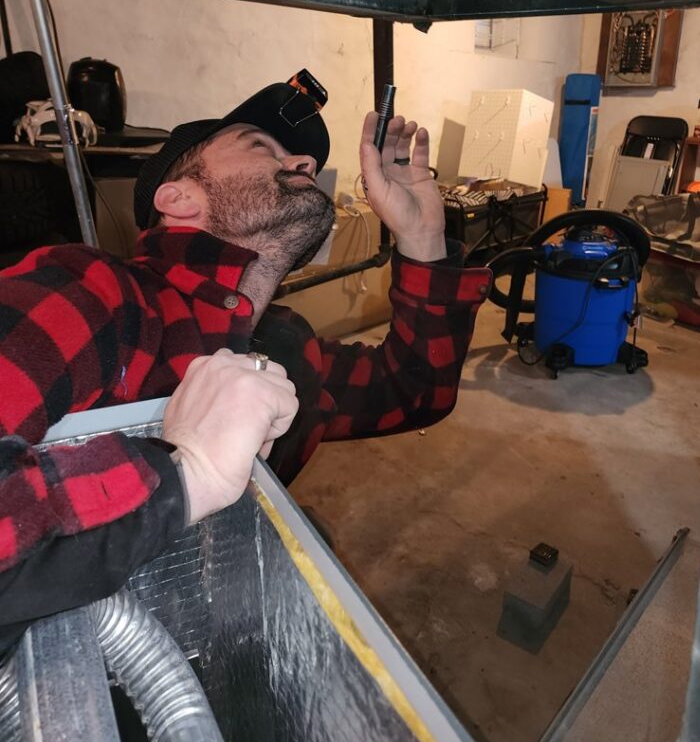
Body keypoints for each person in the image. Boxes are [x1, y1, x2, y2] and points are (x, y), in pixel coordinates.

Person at [0, 77, 491, 656]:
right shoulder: (93, 293)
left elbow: (417, 389)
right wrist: (182, 472)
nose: (305, 159)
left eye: (297, 153)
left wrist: (423, 235)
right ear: (178, 198)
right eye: (262, 145)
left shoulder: (283, 350)